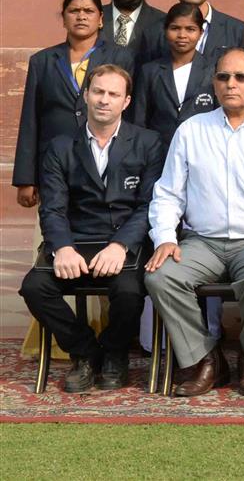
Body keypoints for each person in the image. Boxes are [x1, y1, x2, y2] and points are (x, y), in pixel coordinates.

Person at [144, 48, 244, 396]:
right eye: (223, 77)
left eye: (241, 77)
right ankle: (205, 359)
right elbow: (168, 193)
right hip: (202, 242)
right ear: (214, 83)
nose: (231, 84)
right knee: (160, 276)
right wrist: (165, 239)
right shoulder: (191, 130)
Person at [20, 64, 163, 392]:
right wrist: (62, 247)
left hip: (124, 241)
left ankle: (114, 352)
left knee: (129, 291)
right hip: (76, 239)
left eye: (113, 94)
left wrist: (121, 245)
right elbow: (53, 207)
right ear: (85, 95)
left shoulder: (149, 143)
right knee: (34, 287)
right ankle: (84, 352)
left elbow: (149, 205)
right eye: (98, 91)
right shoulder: (59, 145)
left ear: (126, 102)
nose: (104, 100)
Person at [15, 0, 138, 208]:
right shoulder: (42, 61)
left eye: (89, 11)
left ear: (101, 18)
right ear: (63, 18)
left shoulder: (121, 57)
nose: (81, 16)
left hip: (105, 158)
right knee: (54, 229)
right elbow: (30, 119)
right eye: (74, 11)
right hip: (54, 163)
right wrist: (26, 178)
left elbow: (131, 112)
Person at [132, 4, 218, 149]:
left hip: (201, 149)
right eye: (175, 28)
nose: (182, 35)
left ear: (201, 32)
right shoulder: (150, 71)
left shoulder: (213, 70)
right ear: (165, 31)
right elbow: (139, 120)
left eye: (190, 29)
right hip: (158, 153)